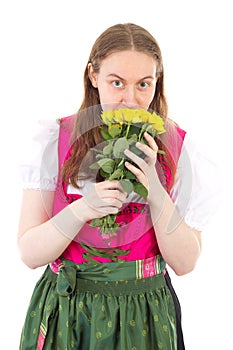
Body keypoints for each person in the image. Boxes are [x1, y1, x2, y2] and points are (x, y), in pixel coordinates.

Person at [18, 23, 219, 350]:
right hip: (68, 313)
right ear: (93, 77)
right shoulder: (54, 140)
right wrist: (83, 208)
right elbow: (29, 253)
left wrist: (155, 191)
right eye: (117, 83)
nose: (131, 99)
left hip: (146, 314)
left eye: (144, 84)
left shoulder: (180, 149)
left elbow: (184, 263)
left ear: (157, 82)